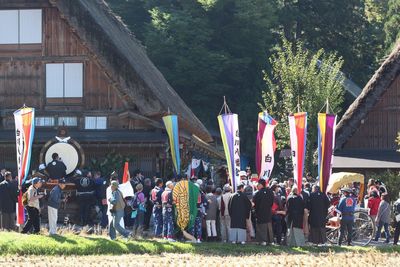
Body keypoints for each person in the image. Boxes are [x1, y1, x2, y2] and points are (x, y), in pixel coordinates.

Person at [253, 179, 274, 245]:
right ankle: (270, 241)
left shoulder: (258, 193)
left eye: (258, 184)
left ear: (260, 184)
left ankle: (263, 241)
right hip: (268, 212)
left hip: (260, 213)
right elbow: (271, 202)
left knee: (261, 227)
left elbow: (255, 203)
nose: (257, 186)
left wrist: (256, 211)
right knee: (269, 226)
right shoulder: (270, 192)